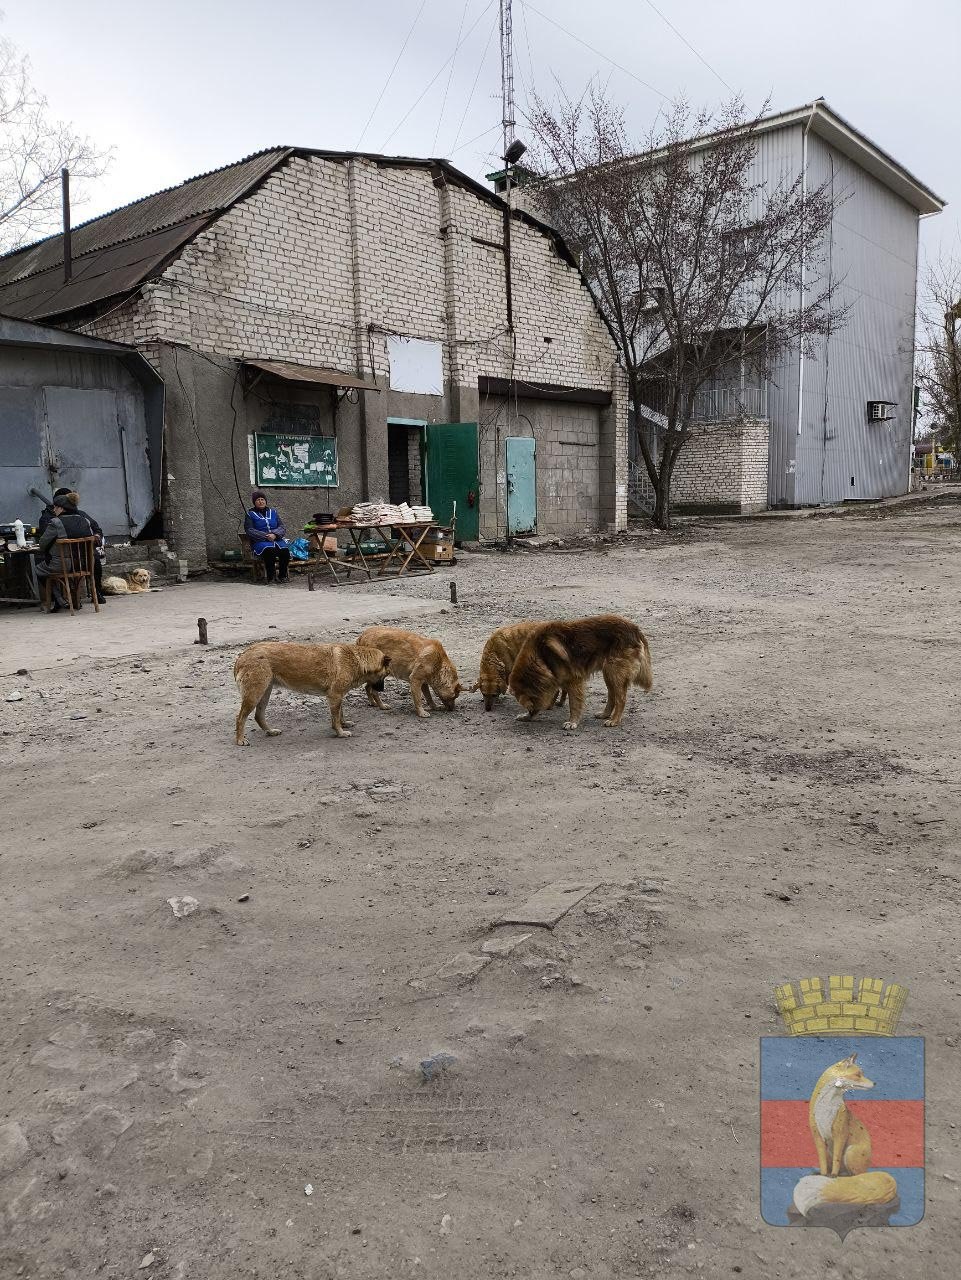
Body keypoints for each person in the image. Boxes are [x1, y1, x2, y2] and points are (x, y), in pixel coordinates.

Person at [38, 487, 107, 603]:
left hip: (65, 563)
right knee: (93, 558)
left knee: (40, 568)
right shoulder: (84, 519)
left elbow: (43, 544)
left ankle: (60, 600)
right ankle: (90, 595)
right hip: (84, 562)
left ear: (60, 506)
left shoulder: (56, 522)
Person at [244, 490, 291, 584]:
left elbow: (282, 527)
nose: (261, 501)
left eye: (262, 499)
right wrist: (266, 536)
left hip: (276, 540)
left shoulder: (273, 512)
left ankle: (282, 576)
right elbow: (249, 530)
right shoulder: (250, 514)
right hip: (260, 541)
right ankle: (271, 577)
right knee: (270, 550)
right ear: (254, 502)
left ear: (265, 501)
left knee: (285, 551)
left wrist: (274, 534)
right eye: (258, 500)